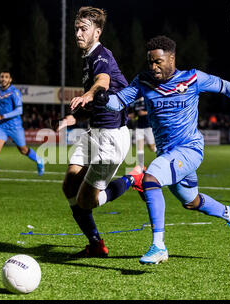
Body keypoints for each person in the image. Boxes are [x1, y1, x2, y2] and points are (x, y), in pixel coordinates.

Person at [97, 35, 230, 264]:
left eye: (158, 61)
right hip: (168, 154)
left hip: (190, 149)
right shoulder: (143, 81)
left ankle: (158, 246)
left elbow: (226, 87)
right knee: (191, 201)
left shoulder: (193, 79)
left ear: (171, 58)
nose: (153, 67)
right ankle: (229, 213)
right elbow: (119, 102)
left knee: (150, 179)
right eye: (150, 62)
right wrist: (101, 98)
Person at [57, 6, 143, 258]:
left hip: (112, 137)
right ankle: (96, 244)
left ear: (97, 31)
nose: (78, 34)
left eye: (84, 29)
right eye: (76, 29)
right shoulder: (87, 58)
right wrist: (74, 116)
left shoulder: (101, 55)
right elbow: (100, 97)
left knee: (87, 200)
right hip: (95, 130)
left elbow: (103, 81)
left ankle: (133, 179)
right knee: (69, 185)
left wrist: (86, 94)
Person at [0, 70, 44, 186]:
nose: (3, 79)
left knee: (23, 150)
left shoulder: (15, 92)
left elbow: (19, 110)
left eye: (6, 77)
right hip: (1, 125)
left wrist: (2, 116)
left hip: (14, 126)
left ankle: (39, 160)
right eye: (1, 77)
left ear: (10, 80)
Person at [130, 97, 156, 173]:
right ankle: (141, 166)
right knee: (139, 147)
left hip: (148, 126)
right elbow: (134, 114)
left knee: (151, 147)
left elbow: (153, 111)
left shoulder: (147, 100)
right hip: (139, 127)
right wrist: (131, 116)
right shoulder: (136, 103)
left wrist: (144, 113)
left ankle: (161, 157)